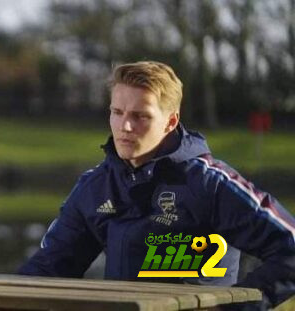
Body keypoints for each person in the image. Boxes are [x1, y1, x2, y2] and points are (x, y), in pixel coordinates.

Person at [18, 61, 295, 310]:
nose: (124, 126)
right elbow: (47, 269)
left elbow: (290, 249)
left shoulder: (210, 184)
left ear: (171, 121)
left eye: (140, 116)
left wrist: (231, 309)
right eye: (117, 112)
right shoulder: (95, 187)